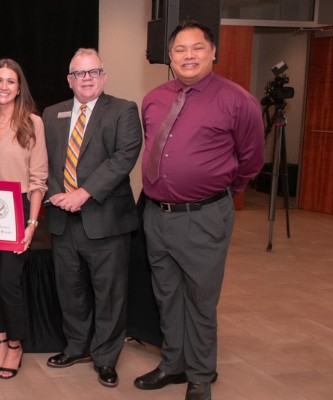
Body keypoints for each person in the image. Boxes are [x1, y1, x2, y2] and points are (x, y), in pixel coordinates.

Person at [135, 21, 264, 400]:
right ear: (170, 56)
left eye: (196, 48)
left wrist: (218, 196)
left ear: (213, 52)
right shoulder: (155, 98)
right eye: (179, 49)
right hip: (157, 214)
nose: (188, 55)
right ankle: (173, 363)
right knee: (167, 295)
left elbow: (251, 161)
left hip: (204, 217)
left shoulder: (238, 100)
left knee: (200, 300)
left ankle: (201, 374)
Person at [41, 48, 142, 388]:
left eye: (92, 72)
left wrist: (82, 194)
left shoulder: (124, 110)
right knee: (70, 291)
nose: (86, 78)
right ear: (69, 79)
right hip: (62, 220)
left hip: (105, 219)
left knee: (109, 293)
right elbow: (45, 162)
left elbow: (123, 157)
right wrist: (56, 193)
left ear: (103, 76)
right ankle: (76, 346)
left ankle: (106, 358)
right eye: (79, 73)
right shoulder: (51, 113)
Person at [0, 58, 47, 380]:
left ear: (19, 88)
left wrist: (32, 225)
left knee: (9, 284)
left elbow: (38, 178)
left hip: (17, 211)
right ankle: (0, 341)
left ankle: (16, 346)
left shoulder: (33, 124)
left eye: (10, 81)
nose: (4, 86)